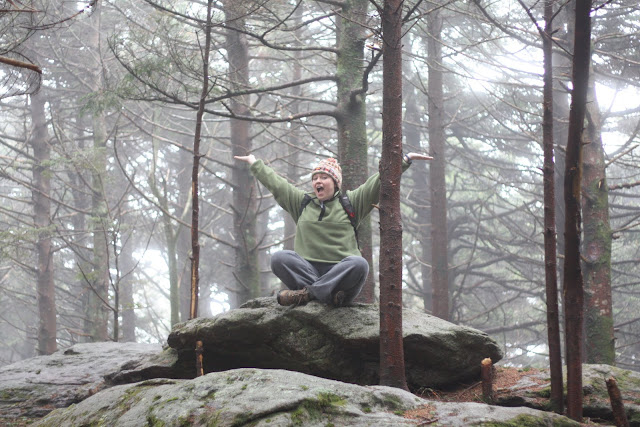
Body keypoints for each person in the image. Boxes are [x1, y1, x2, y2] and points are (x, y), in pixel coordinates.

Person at [234, 152, 432, 307]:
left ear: (335, 183)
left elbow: (378, 182)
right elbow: (277, 185)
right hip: (307, 271)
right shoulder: (302, 203)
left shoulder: (351, 202)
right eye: (315, 178)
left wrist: (404, 160)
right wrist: (255, 163)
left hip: (340, 278)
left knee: (359, 264)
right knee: (279, 258)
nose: (317, 182)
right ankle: (323, 295)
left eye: (324, 177)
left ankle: (308, 294)